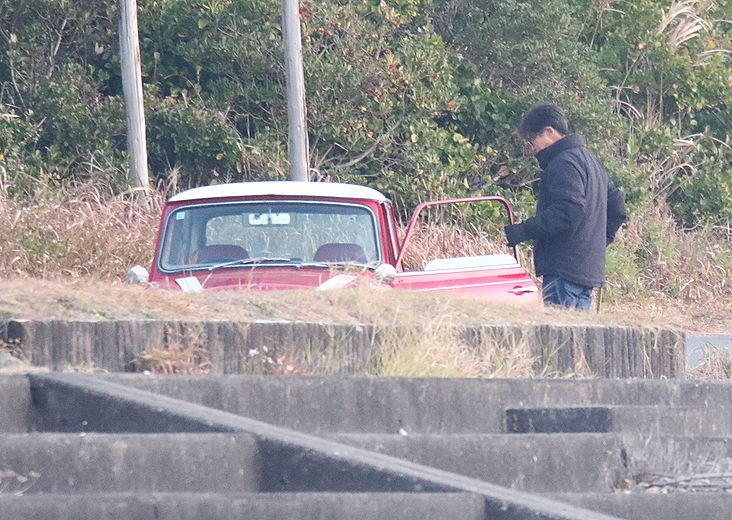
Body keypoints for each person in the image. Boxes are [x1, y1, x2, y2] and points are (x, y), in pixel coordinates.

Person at [504, 104, 626, 311]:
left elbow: (568, 210)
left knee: (559, 330)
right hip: (586, 269)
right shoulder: (591, 161)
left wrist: (523, 230)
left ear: (549, 131)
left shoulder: (563, 162)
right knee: (577, 331)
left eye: (532, 139)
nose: (532, 147)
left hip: (563, 269)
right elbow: (618, 209)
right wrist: (595, 243)